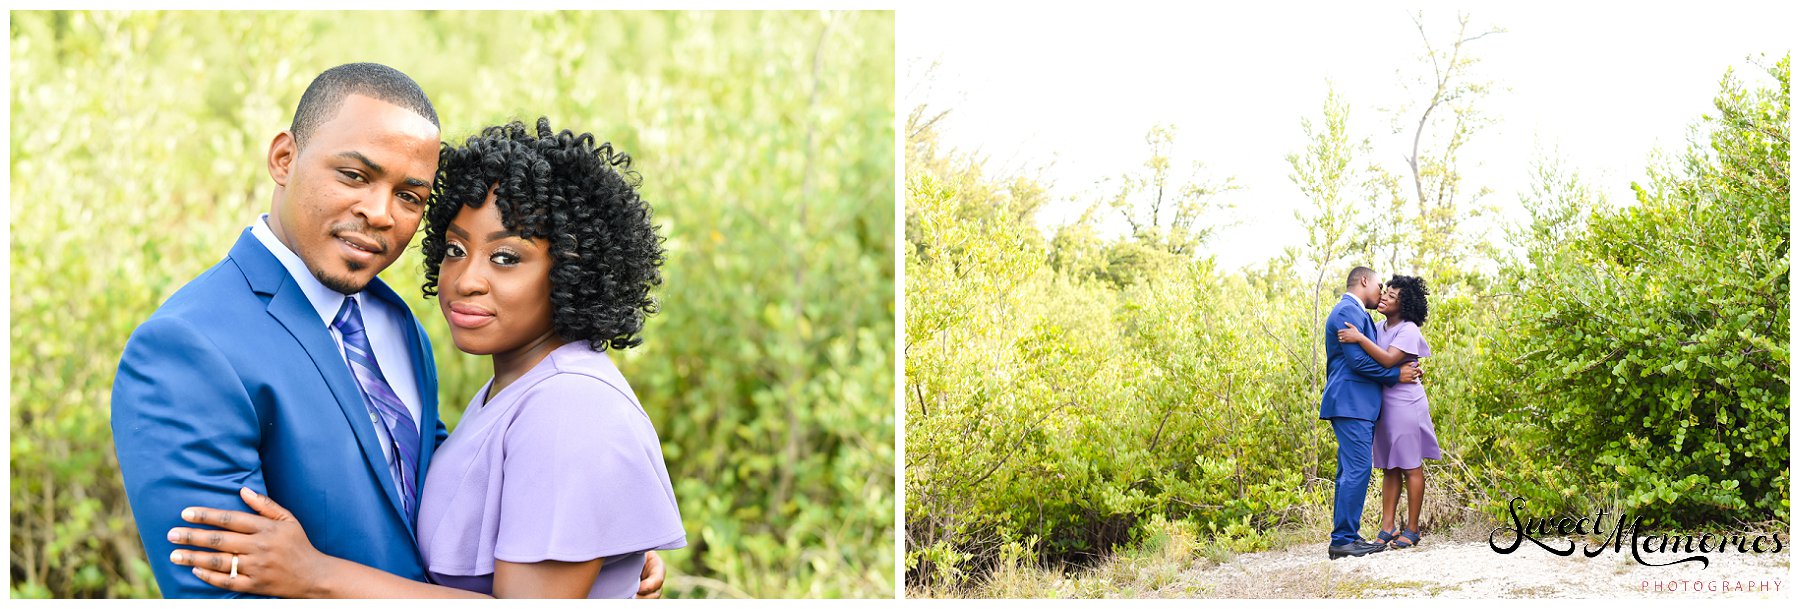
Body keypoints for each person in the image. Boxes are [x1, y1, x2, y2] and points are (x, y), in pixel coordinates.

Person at [111, 63, 663, 598]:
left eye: (409, 196)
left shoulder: (391, 319)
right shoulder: (187, 348)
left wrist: (587, 530)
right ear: (284, 158)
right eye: (354, 175)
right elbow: (219, 584)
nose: (380, 212)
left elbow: (423, 473)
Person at [1319, 266, 1421, 560]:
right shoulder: (1345, 312)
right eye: (1379, 285)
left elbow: (1385, 351)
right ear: (1364, 281)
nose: (1381, 292)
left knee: (1349, 471)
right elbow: (1358, 363)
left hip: (1357, 404)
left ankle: (1345, 537)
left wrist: (1409, 368)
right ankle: (1343, 540)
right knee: (1358, 469)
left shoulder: (1359, 315)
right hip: (1351, 402)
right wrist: (1395, 376)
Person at [1335, 275, 1440, 550]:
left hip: (1406, 403)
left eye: (1392, 297)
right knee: (1389, 466)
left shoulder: (1408, 329)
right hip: (1383, 402)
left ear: (1404, 305)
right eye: (1386, 293)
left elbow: (1389, 359)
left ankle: (1413, 529)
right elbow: (1374, 361)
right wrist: (1363, 338)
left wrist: (1358, 338)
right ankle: (1387, 526)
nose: (1384, 297)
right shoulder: (1378, 326)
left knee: (1410, 464)